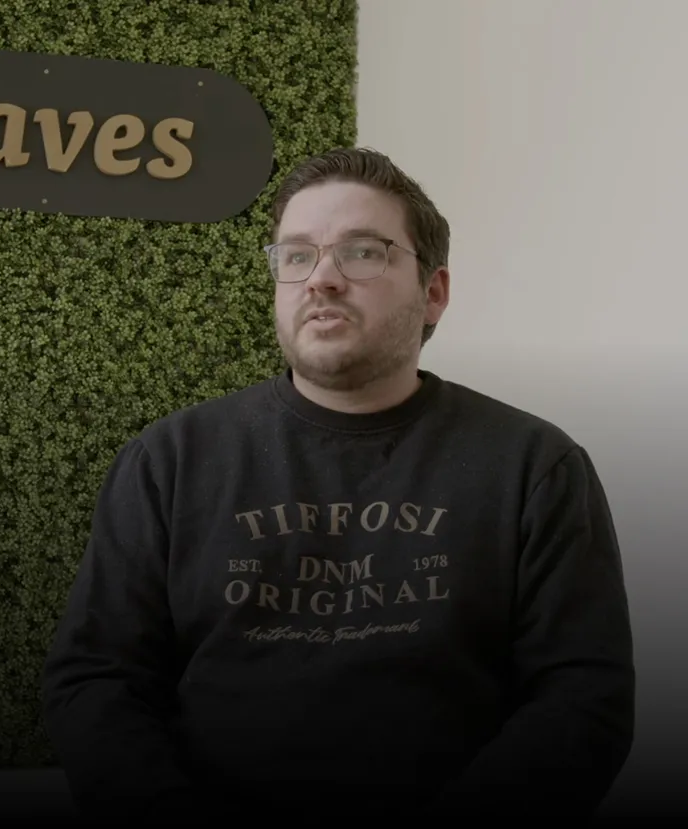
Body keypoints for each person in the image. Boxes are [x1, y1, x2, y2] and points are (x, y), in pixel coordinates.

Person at [42, 147, 635, 820]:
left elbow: (583, 701)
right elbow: (95, 682)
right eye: (296, 256)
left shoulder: (536, 466)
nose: (321, 278)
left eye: (362, 252)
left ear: (433, 290)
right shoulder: (169, 460)